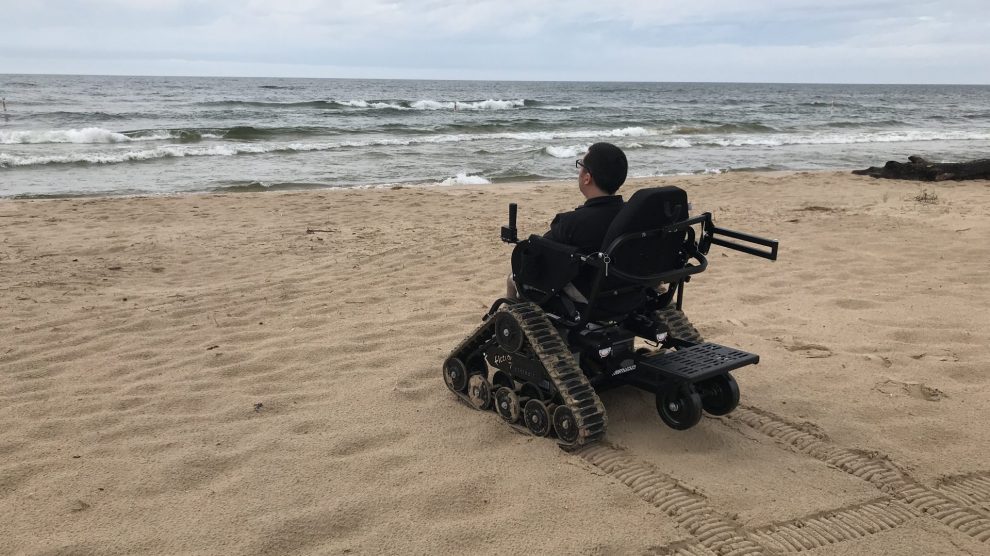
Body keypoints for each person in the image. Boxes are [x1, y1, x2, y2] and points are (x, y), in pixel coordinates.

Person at [507, 142, 628, 299]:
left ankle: (509, 319)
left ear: (587, 178)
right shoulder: (631, 214)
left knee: (513, 277)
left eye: (581, 164)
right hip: (626, 288)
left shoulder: (572, 223)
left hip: (591, 295)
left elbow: (539, 252)